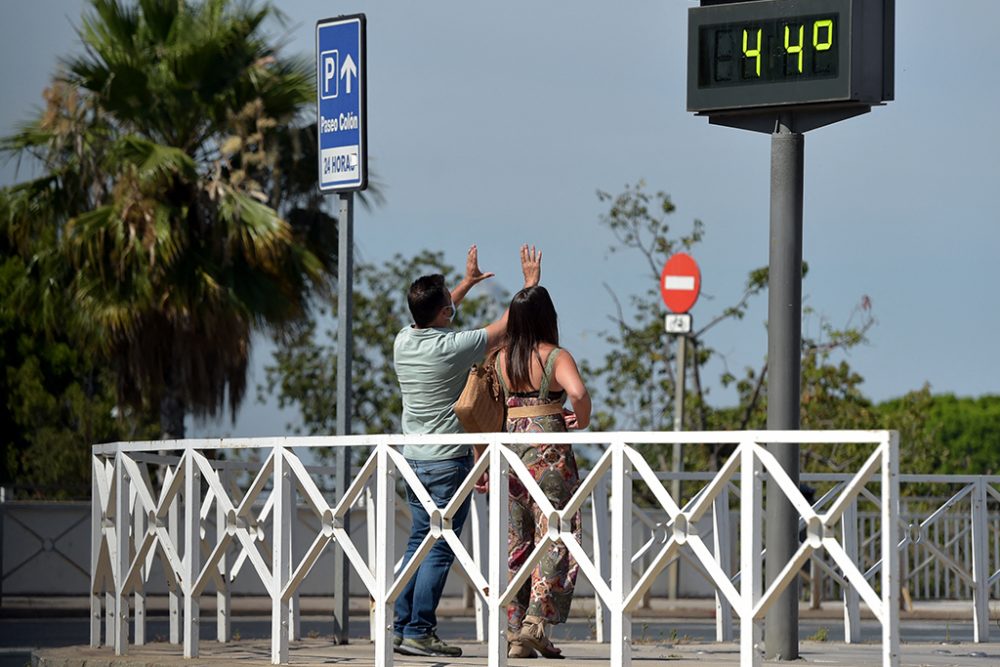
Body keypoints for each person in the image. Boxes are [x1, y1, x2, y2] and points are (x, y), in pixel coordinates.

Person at [392, 244, 541, 657]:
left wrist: (465, 285)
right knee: (441, 546)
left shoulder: (404, 341)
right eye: (449, 305)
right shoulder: (451, 348)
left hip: (413, 458)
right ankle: (420, 629)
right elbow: (506, 326)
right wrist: (530, 285)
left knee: (418, 541)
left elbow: (434, 314)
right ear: (442, 314)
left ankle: (400, 626)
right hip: (446, 459)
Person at [494, 285, 591, 659]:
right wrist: (580, 421)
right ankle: (536, 621)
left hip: (511, 450)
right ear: (548, 317)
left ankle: (516, 633)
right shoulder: (555, 356)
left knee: (517, 541)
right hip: (549, 454)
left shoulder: (501, 359)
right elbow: (578, 394)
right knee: (557, 532)